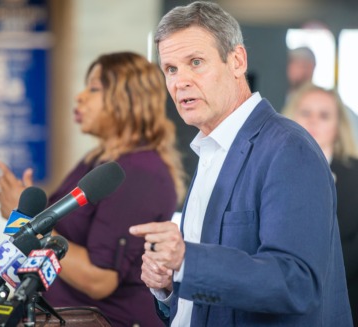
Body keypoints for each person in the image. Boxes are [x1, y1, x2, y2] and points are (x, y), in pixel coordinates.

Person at [128, 2, 353, 326]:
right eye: (171, 69)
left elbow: (296, 284)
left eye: (195, 62)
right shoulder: (210, 149)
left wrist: (187, 261)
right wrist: (167, 285)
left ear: (237, 61)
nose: (180, 82)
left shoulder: (288, 149)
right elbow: (205, 298)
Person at [0, 51, 186, 326]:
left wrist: (27, 220)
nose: (79, 96)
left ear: (129, 99)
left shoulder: (137, 173)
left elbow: (100, 279)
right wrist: (24, 218)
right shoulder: (98, 161)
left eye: (94, 88)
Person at [282, 82, 358, 326]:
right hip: (281, 306)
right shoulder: (270, 170)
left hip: (344, 305)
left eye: (324, 115)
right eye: (306, 113)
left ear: (338, 126)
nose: (313, 121)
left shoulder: (355, 176)